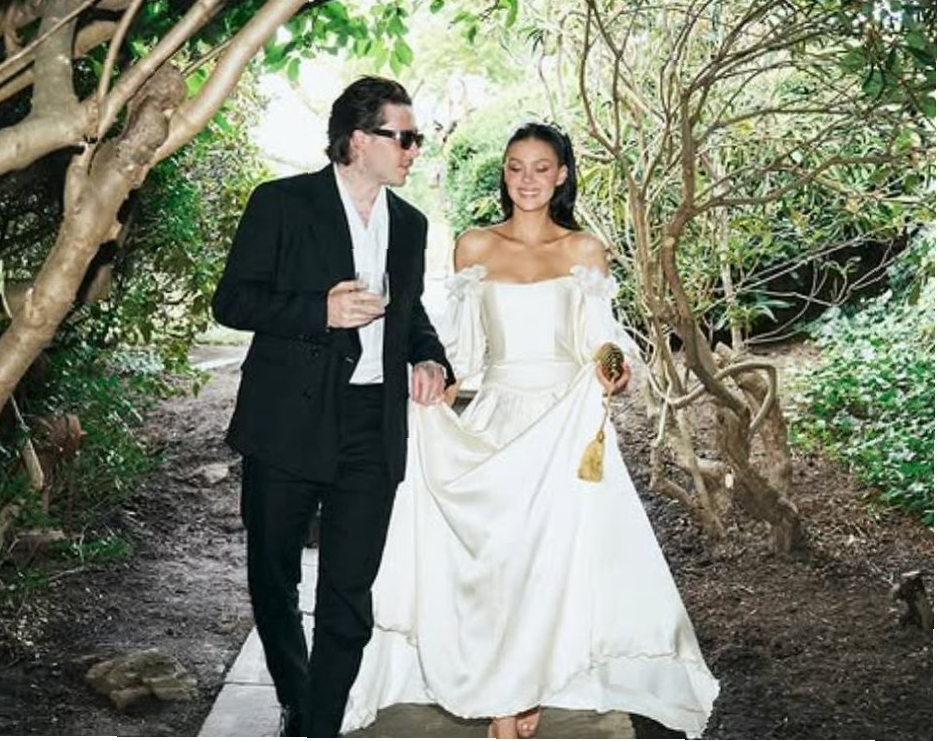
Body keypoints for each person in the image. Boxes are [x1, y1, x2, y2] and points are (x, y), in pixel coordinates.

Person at [341, 123, 719, 738]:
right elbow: (464, 350)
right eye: (516, 167)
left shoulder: (584, 250)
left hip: (565, 427)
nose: (527, 179)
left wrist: (615, 370)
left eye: (541, 168)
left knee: (553, 566)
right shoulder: (474, 246)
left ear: (562, 175)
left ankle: (521, 694)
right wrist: (432, 392)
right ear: (504, 173)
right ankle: (508, 695)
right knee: (501, 564)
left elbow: (601, 343)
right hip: (499, 422)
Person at [212, 76, 453, 737]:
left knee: (348, 593)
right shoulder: (282, 203)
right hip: (286, 419)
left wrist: (429, 357)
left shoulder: (411, 225)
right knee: (274, 575)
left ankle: (317, 726)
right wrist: (318, 311)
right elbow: (232, 301)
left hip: (372, 425)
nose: (414, 150)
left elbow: (410, 312)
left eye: (416, 139)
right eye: (403, 137)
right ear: (358, 139)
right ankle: (297, 695)